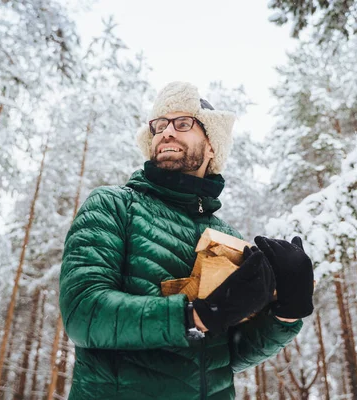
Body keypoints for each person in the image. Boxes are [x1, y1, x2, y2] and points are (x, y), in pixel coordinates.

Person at [59, 81, 315, 400]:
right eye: (160, 125)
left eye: (182, 123)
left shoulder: (226, 239)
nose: (167, 132)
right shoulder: (113, 206)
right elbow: (84, 314)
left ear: (212, 146)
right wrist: (195, 316)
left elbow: (226, 357)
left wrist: (286, 313)